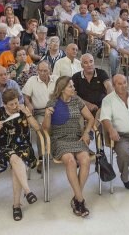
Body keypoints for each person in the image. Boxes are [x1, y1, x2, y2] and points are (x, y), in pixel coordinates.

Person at [42, 76, 95, 217]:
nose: (73, 88)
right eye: (70, 86)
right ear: (62, 89)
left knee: (85, 160)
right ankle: (81, 200)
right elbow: (45, 129)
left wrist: (86, 133)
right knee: (70, 161)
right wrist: (47, 116)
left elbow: (90, 118)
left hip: (76, 137)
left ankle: (76, 198)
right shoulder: (52, 102)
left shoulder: (77, 100)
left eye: (73, 86)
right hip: (59, 139)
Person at [0, 89, 40, 221]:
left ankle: (17, 204)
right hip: (4, 147)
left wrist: (28, 113)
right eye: (11, 104)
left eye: (16, 103)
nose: (15, 107)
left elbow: (37, 128)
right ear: (5, 105)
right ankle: (27, 193)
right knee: (15, 158)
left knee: (16, 165)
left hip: (23, 146)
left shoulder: (23, 110)